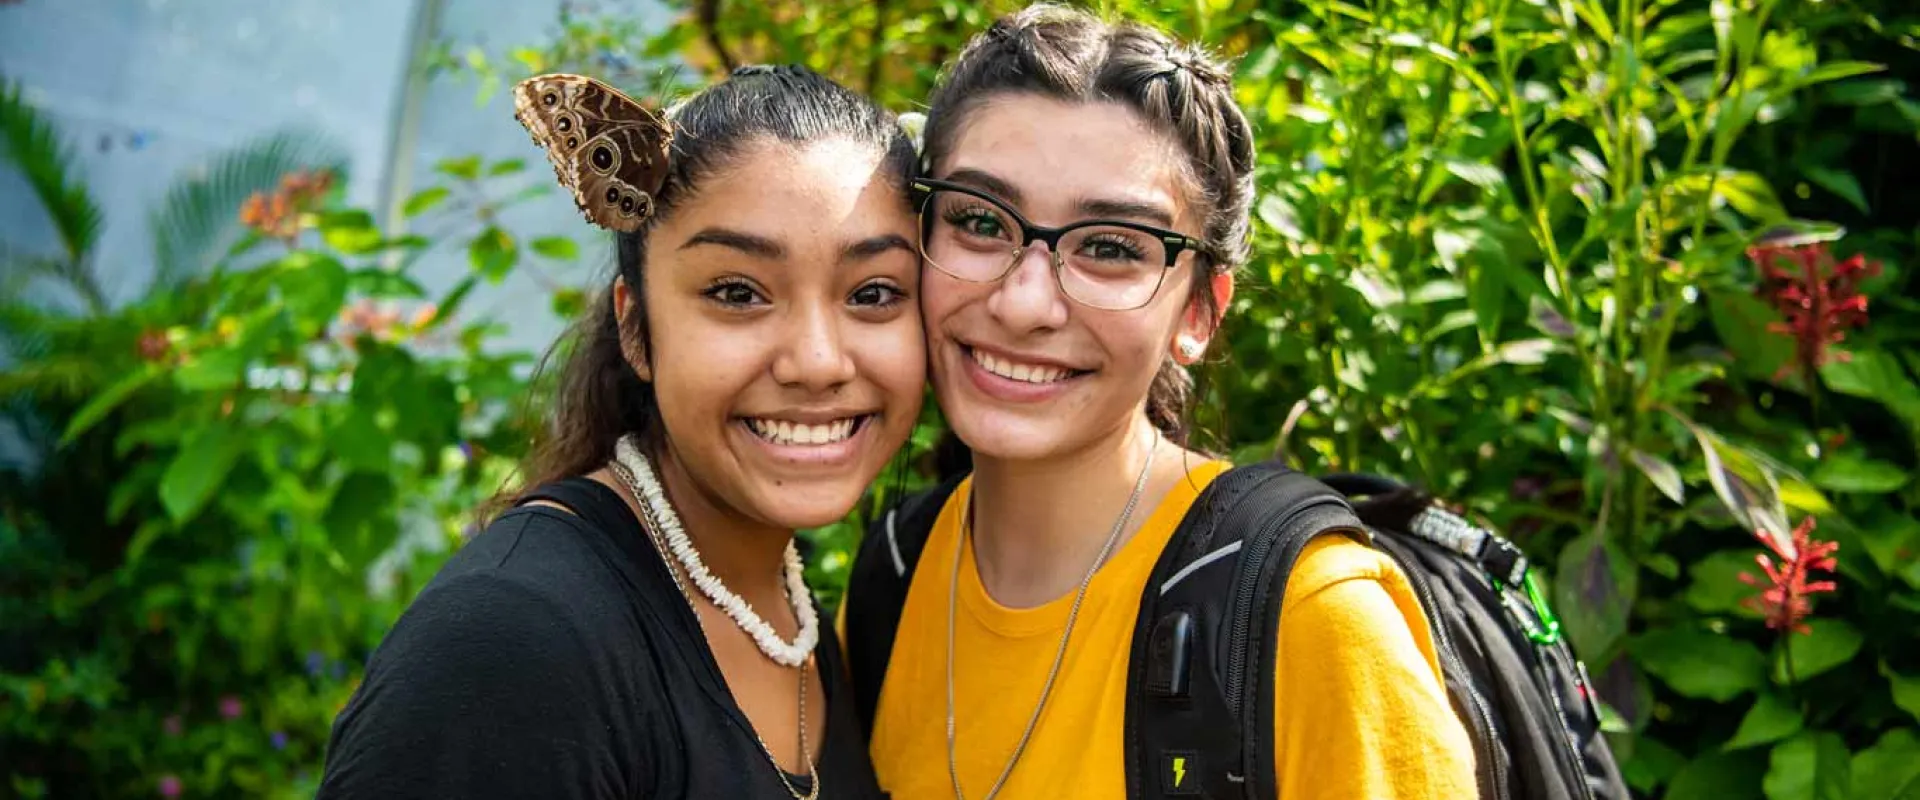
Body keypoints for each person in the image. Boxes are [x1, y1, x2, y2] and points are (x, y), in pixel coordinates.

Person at [845, 5, 1479, 798]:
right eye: (978, 221)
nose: (1025, 302)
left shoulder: (1311, 619)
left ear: (1199, 313)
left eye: (1111, 247)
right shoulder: (896, 577)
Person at [319, 64, 921, 799]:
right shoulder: (514, 643)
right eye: (737, 293)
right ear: (636, 329)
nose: (819, 362)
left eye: (874, 293)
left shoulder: (798, 619)